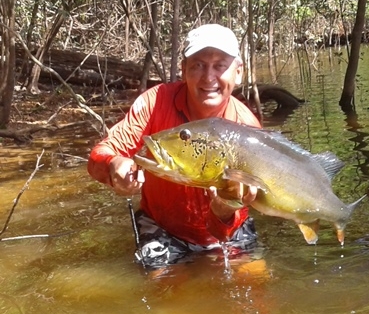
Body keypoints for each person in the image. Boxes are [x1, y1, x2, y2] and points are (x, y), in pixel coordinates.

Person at [87, 24, 262, 269]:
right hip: (162, 229)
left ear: (239, 72)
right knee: (169, 296)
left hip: (230, 228)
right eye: (198, 65)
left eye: (220, 65)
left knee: (256, 289)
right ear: (183, 70)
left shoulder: (248, 129)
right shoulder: (155, 102)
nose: (208, 77)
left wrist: (224, 208)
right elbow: (100, 156)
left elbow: (241, 211)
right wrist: (113, 165)